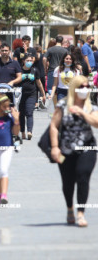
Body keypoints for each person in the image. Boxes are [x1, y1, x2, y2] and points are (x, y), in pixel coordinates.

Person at [50, 75, 98, 227]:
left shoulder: (91, 106)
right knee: (68, 181)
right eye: (81, 87)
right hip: (66, 150)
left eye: (87, 87)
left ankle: (81, 213)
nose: (85, 90)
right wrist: (55, 147)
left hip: (87, 148)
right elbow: (53, 126)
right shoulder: (63, 105)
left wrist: (82, 112)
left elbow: (96, 123)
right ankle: (70, 207)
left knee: (83, 176)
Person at [19, 54, 46, 140]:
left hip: (32, 94)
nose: (29, 62)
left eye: (31, 61)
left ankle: (29, 131)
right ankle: (22, 132)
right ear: (23, 61)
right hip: (20, 95)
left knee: (29, 112)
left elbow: (39, 83)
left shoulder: (35, 70)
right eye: (28, 60)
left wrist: (43, 94)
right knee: (21, 114)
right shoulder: (19, 70)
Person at [34, 44, 46, 109]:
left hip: (35, 74)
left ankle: (36, 104)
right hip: (42, 73)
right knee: (42, 87)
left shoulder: (34, 57)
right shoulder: (42, 56)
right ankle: (41, 98)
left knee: (35, 89)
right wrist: (45, 70)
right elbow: (44, 63)